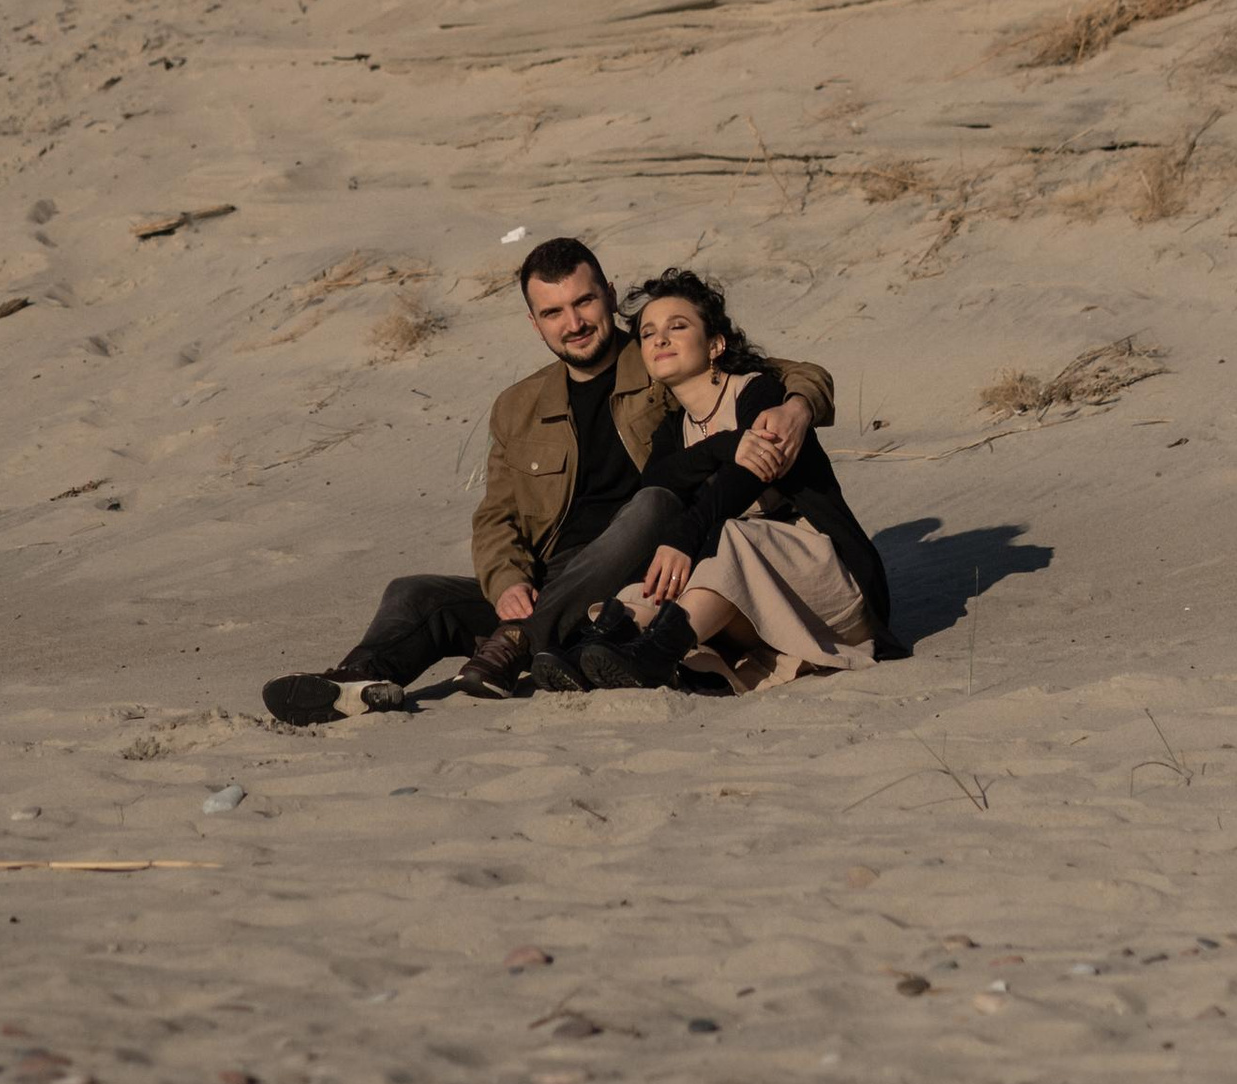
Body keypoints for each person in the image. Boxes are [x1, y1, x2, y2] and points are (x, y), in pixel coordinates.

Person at [260, 236, 839, 721]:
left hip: (637, 579)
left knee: (653, 505)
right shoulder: (519, 406)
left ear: (608, 294)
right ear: (534, 322)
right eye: (554, 312)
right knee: (414, 593)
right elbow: (496, 517)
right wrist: (507, 580)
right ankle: (357, 683)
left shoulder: (659, 356)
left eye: (584, 302)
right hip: (553, 587)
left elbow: (787, 372)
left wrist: (797, 408)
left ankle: (518, 642)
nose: (574, 323)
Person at [575, 266, 899, 688]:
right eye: (648, 332)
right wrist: (725, 445)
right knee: (664, 569)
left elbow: (747, 475)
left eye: (677, 326)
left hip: (826, 586)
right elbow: (658, 481)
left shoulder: (758, 392)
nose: (660, 339)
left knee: (727, 535)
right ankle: (607, 644)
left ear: (715, 344)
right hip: (755, 600)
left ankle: (655, 654)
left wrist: (687, 534)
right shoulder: (673, 429)